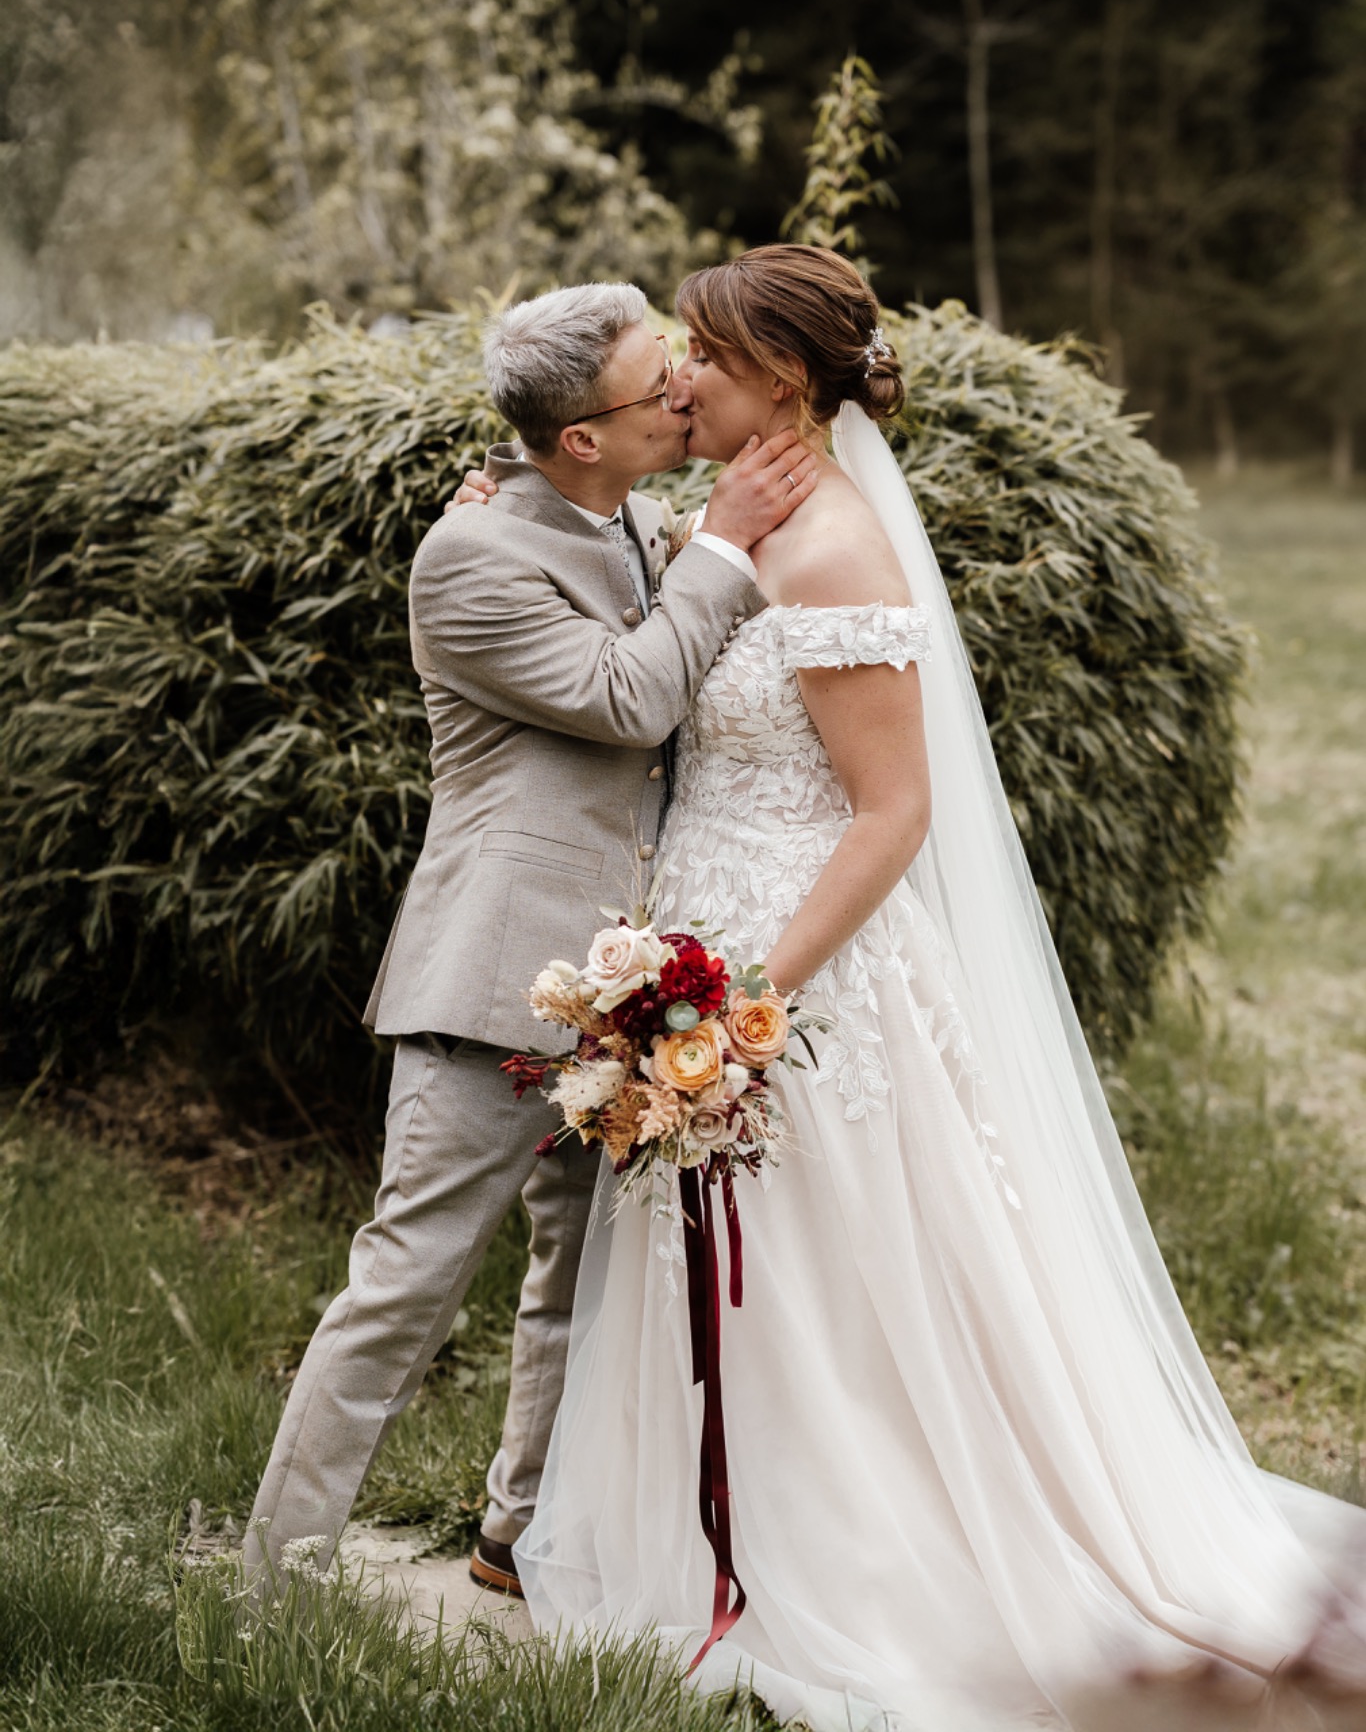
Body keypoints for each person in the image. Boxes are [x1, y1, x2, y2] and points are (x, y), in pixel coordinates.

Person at [461, 246, 1366, 1730]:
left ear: (782, 383)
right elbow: (639, 594)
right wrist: (500, 494)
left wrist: (741, 1006)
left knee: (846, 1275)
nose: (677, 374)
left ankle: (860, 1546)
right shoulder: (738, 511)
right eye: (676, 351)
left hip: (796, 976)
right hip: (698, 936)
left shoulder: (833, 548)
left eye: (702, 352)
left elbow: (891, 817)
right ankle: (697, 1534)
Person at [240, 281, 820, 1596]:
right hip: (496, 977)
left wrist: (709, 542)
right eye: (654, 381)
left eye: (676, 363)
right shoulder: (472, 557)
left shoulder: (612, 516)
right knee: (407, 1283)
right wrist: (723, 550)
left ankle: (516, 1534)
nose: (682, 389)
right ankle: (272, 1579)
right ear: (577, 438)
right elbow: (627, 697)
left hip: (623, 994)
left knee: (579, 1274)